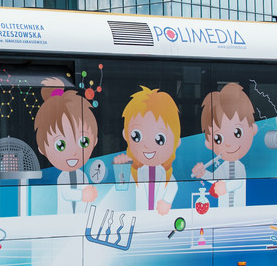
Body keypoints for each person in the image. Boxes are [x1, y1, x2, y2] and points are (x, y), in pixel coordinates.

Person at [112, 86, 180, 216]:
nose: (148, 146)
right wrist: (121, 168)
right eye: (136, 136)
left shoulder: (164, 173)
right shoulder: (136, 171)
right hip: (140, 215)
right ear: (126, 135)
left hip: (160, 216)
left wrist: (166, 201)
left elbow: (173, 186)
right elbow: (122, 187)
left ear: (176, 141)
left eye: (160, 139)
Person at [191, 82, 258, 208]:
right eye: (218, 138)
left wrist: (225, 187)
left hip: (237, 208)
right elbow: (215, 178)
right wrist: (203, 174)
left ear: (252, 130)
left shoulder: (240, 166)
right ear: (208, 143)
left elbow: (238, 182)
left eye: (237, 133)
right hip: (224, 207)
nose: (227, 143)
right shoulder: (224, 165)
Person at [34, 85, 99, 213]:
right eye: (60, 145)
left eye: (83, 142)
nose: (73, 153)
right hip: (65, 217)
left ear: (94, 141)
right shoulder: (62, 177)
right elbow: (66, 194)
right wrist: (83, 195)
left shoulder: (82, 175)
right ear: (42, 149)